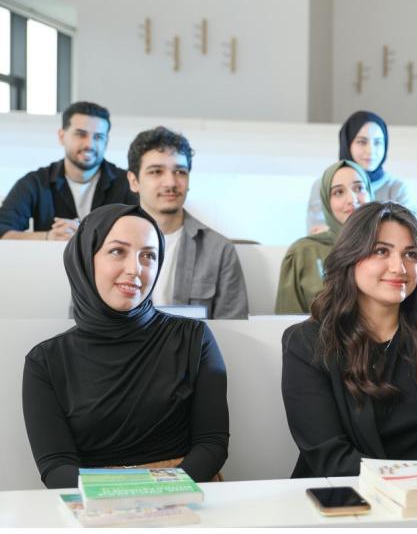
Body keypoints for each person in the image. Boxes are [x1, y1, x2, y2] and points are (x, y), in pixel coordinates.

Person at [281, 201, 417, 478]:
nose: (399, 267)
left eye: (411, 254)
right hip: (350, 501)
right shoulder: (307, 343)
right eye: (381, 251)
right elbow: (330, 456)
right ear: (350, 257)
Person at [22, 204, 229, 488]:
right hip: (93, 499)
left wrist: (160, 493)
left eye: (149, 256)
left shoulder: (192, 337)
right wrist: (125, 498)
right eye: (117, 251)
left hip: (185, 490)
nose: (135, 269)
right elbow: (55, 467)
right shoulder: (45, 361)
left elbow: (212, 444)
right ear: (85, 258)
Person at [127, 126, 249, 319]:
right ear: (134, 181)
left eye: (180, 172)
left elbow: (232, 330)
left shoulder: (219, 250)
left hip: (193, 349)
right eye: (156, 171)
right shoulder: (106, 245)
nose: (171, 183)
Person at [0, 101, 138, 240]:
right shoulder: (36, 182)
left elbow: (146, 231)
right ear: (62, 136)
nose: (89, 144)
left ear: (106, 141)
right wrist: (48, 237)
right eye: (80, 134)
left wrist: (88, 235)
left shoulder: (127, 182)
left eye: (98, 137)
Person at [276, 160, 372, 313]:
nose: (352, 199)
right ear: (327, 203)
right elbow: (287, 324)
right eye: (338, 192)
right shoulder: (303, 252)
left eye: (359, 188)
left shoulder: (387, 248)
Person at [305, 110, 414, 234]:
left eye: (378, 142)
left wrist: (336, 231)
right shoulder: (323, 186)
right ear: (347, 144)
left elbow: (409, 234)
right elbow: (317, 233)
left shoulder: (396, 188)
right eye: (362, 142)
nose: (371, 151)